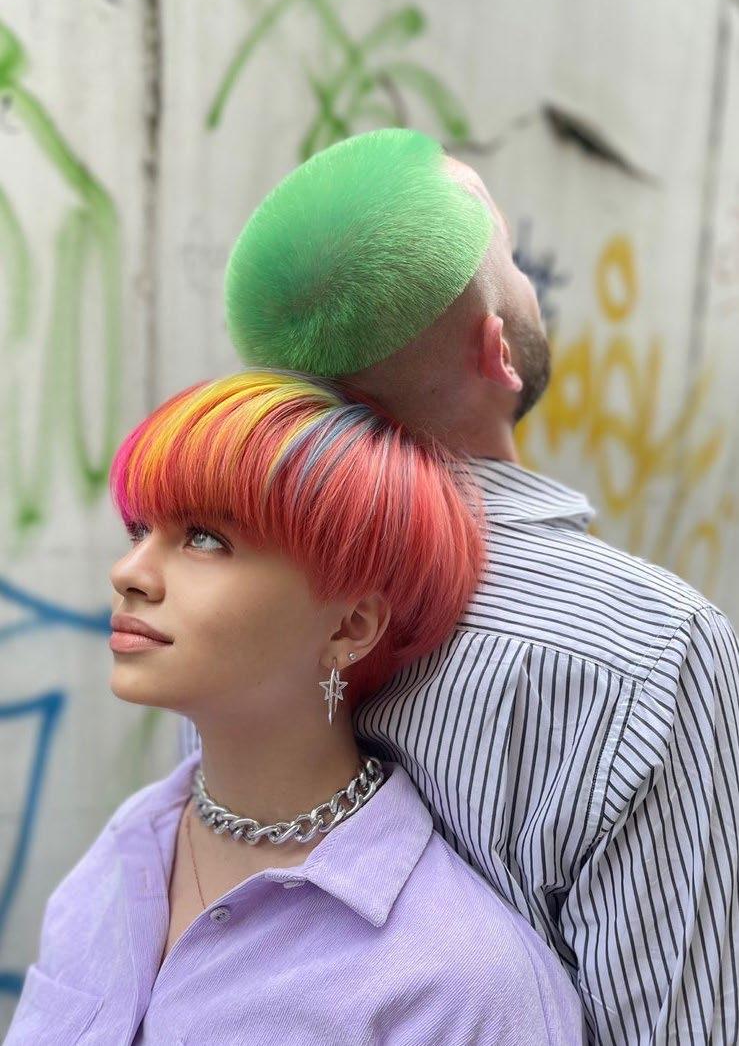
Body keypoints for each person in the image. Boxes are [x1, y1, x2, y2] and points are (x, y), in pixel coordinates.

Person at [178, 126, 739, 1044]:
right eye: (511, 259)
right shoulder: (654, 648)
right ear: (497, 350)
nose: (526, 280)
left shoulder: (223, 604)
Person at [6, 369, 586, 1044]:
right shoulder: (126, 850)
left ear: (349, 628)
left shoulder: (461, 985)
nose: (128, 572)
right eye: (139, 530)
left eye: (204, 538)